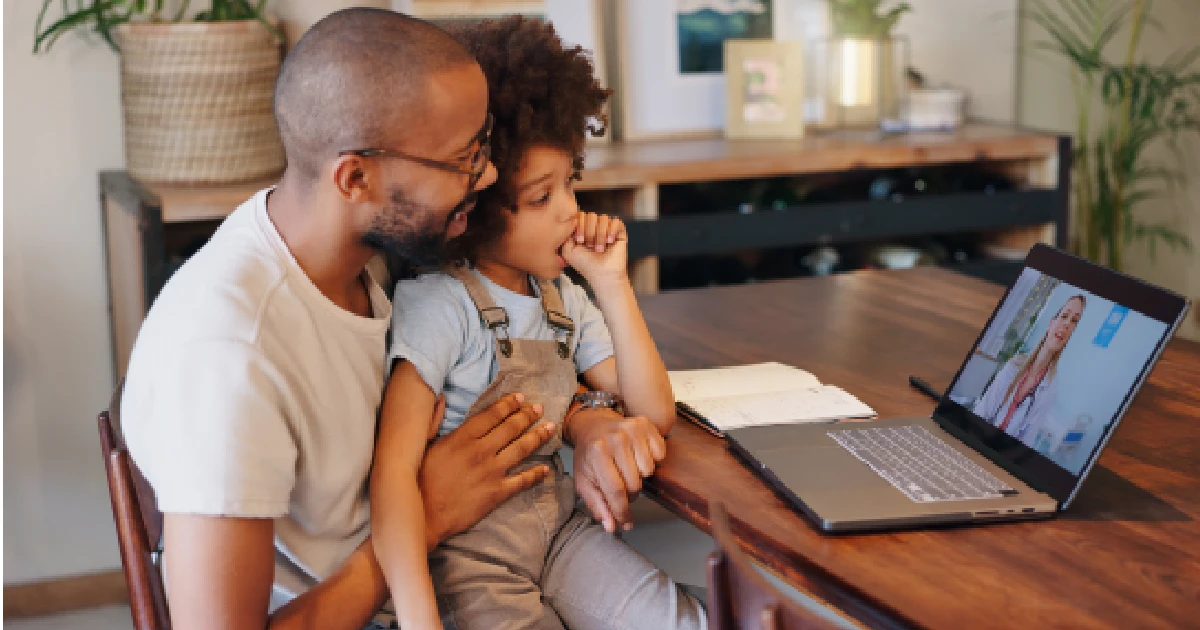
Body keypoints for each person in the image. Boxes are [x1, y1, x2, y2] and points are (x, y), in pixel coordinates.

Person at [118, 9, 637, 629]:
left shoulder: (366, 256)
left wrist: (583, 418)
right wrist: (428, 513)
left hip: (466, 567)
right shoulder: (232, 355)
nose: (489, 173)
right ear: (355, 177)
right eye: (464, 158)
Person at [370, 16, 706, 630]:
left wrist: (612, 284)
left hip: (560, 536)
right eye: (541, 198)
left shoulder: (563, 297)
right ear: (475, 210)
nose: (572, 213)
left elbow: (652, 410)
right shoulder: (439, 305)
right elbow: (392, 468)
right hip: (469, 559)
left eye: (571, 185)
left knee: (687, 620)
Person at [973, 295, 1087, 445]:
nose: (1066, 324)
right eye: (1064, 316)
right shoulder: (1015, 364)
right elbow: (983, 410)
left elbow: (1027, 439)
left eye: (1074, 321)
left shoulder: (1050, 386)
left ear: (1072, 332)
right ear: (1051, 324)